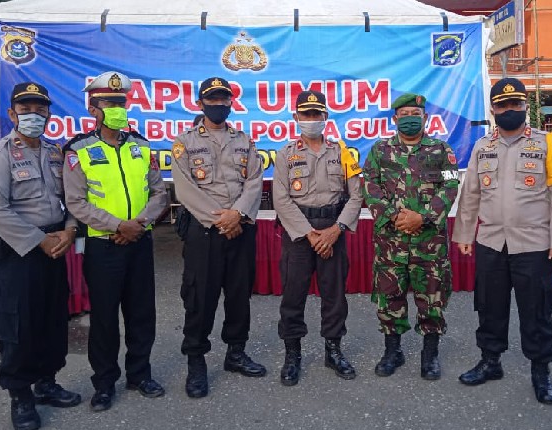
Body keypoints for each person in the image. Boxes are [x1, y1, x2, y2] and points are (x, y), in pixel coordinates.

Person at [452, 78, 552, 405]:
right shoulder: (483, 147)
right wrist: (465, 233)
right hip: (491, 240)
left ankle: (541, 370)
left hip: (534, 243)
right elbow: (471, 195)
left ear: (525, 107)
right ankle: (490, 361)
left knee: (536, 310)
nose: (509, 110)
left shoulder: (548, 143)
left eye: (516, 104)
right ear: (493, 109)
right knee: (489, 306)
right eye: (503, 105)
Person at [0, 82, 81, 430]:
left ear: (49, 113)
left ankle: (47, 382)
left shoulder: (56, 153)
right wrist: (39, 241)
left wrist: (68, 231)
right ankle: (20, 395)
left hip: (55, 244)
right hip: (18, 250)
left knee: (52, 318)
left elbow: (71, 200)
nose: (33, 114)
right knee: (18, 324)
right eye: (26, 108)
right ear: (11, 113)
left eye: (39, 108)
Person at [63, 71, 168, 411]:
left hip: (140, 242)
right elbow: (76, 202)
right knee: (105, 319)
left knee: (141, 314)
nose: (116, 108)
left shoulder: (142, 146)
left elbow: (159, 193)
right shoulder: (79, 151)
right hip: (103, 246)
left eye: (120, 102)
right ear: (93, 108)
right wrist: (118, 226)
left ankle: (140, 374)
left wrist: (137, 224)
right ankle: (104, 384)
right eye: (108, 103)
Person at [171, 77, 266, 398]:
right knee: (200, 297)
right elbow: (184, 189)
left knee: (239, 295)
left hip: (240, 227)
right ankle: (196, 361)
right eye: (213, 99)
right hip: (204, 230)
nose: (219, 104)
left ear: (231, 103)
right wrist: (222, 218)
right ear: (200, 103)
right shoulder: (184, 142)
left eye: (224, 99)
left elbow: (255, 181)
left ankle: (235, 353)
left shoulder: (243, 140)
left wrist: (237, 214)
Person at [362, 92, 460, 381]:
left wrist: (424, 216)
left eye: (414, 115)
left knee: (432, 298)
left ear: (425, 117)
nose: (409, 120)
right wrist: (395, 216)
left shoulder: (442, 150)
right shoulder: (380, 151)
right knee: (389, 297)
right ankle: (393, 351)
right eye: (403, 115)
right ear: (394, 119)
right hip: (391, 242)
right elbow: (370, 185)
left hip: (429, 244)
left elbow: (452, 184)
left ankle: (429, 355)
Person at [272, 91, 363, 386]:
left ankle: (333, 350)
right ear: (296, 118)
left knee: (334, 294)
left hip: (333, 227)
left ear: (325, 118)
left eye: (316, 114)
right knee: (293, 295)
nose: (311, 120)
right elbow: (281, 199)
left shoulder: (343, 152)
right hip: (299, 232)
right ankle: (292, 353)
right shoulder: (286, 154)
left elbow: (356, 195)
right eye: (306, 114)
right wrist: (310, 234)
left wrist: (336, 229)